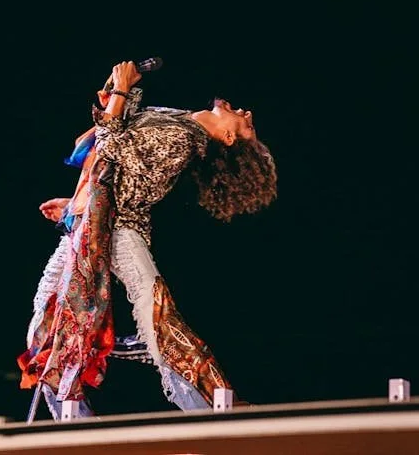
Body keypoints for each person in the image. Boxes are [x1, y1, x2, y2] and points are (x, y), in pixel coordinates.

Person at [18, 61, 278, 419]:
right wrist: (77, 204)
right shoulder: (179, 119)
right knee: (48, 319)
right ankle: (72, 416)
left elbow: (114, 146)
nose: (245, 112)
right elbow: (113, 157)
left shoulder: (185, 138)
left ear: (229, 139)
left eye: (246, 124)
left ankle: (214, 406)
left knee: (157, 316)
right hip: (90, 226)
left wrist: (122, 91)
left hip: (121, 229)